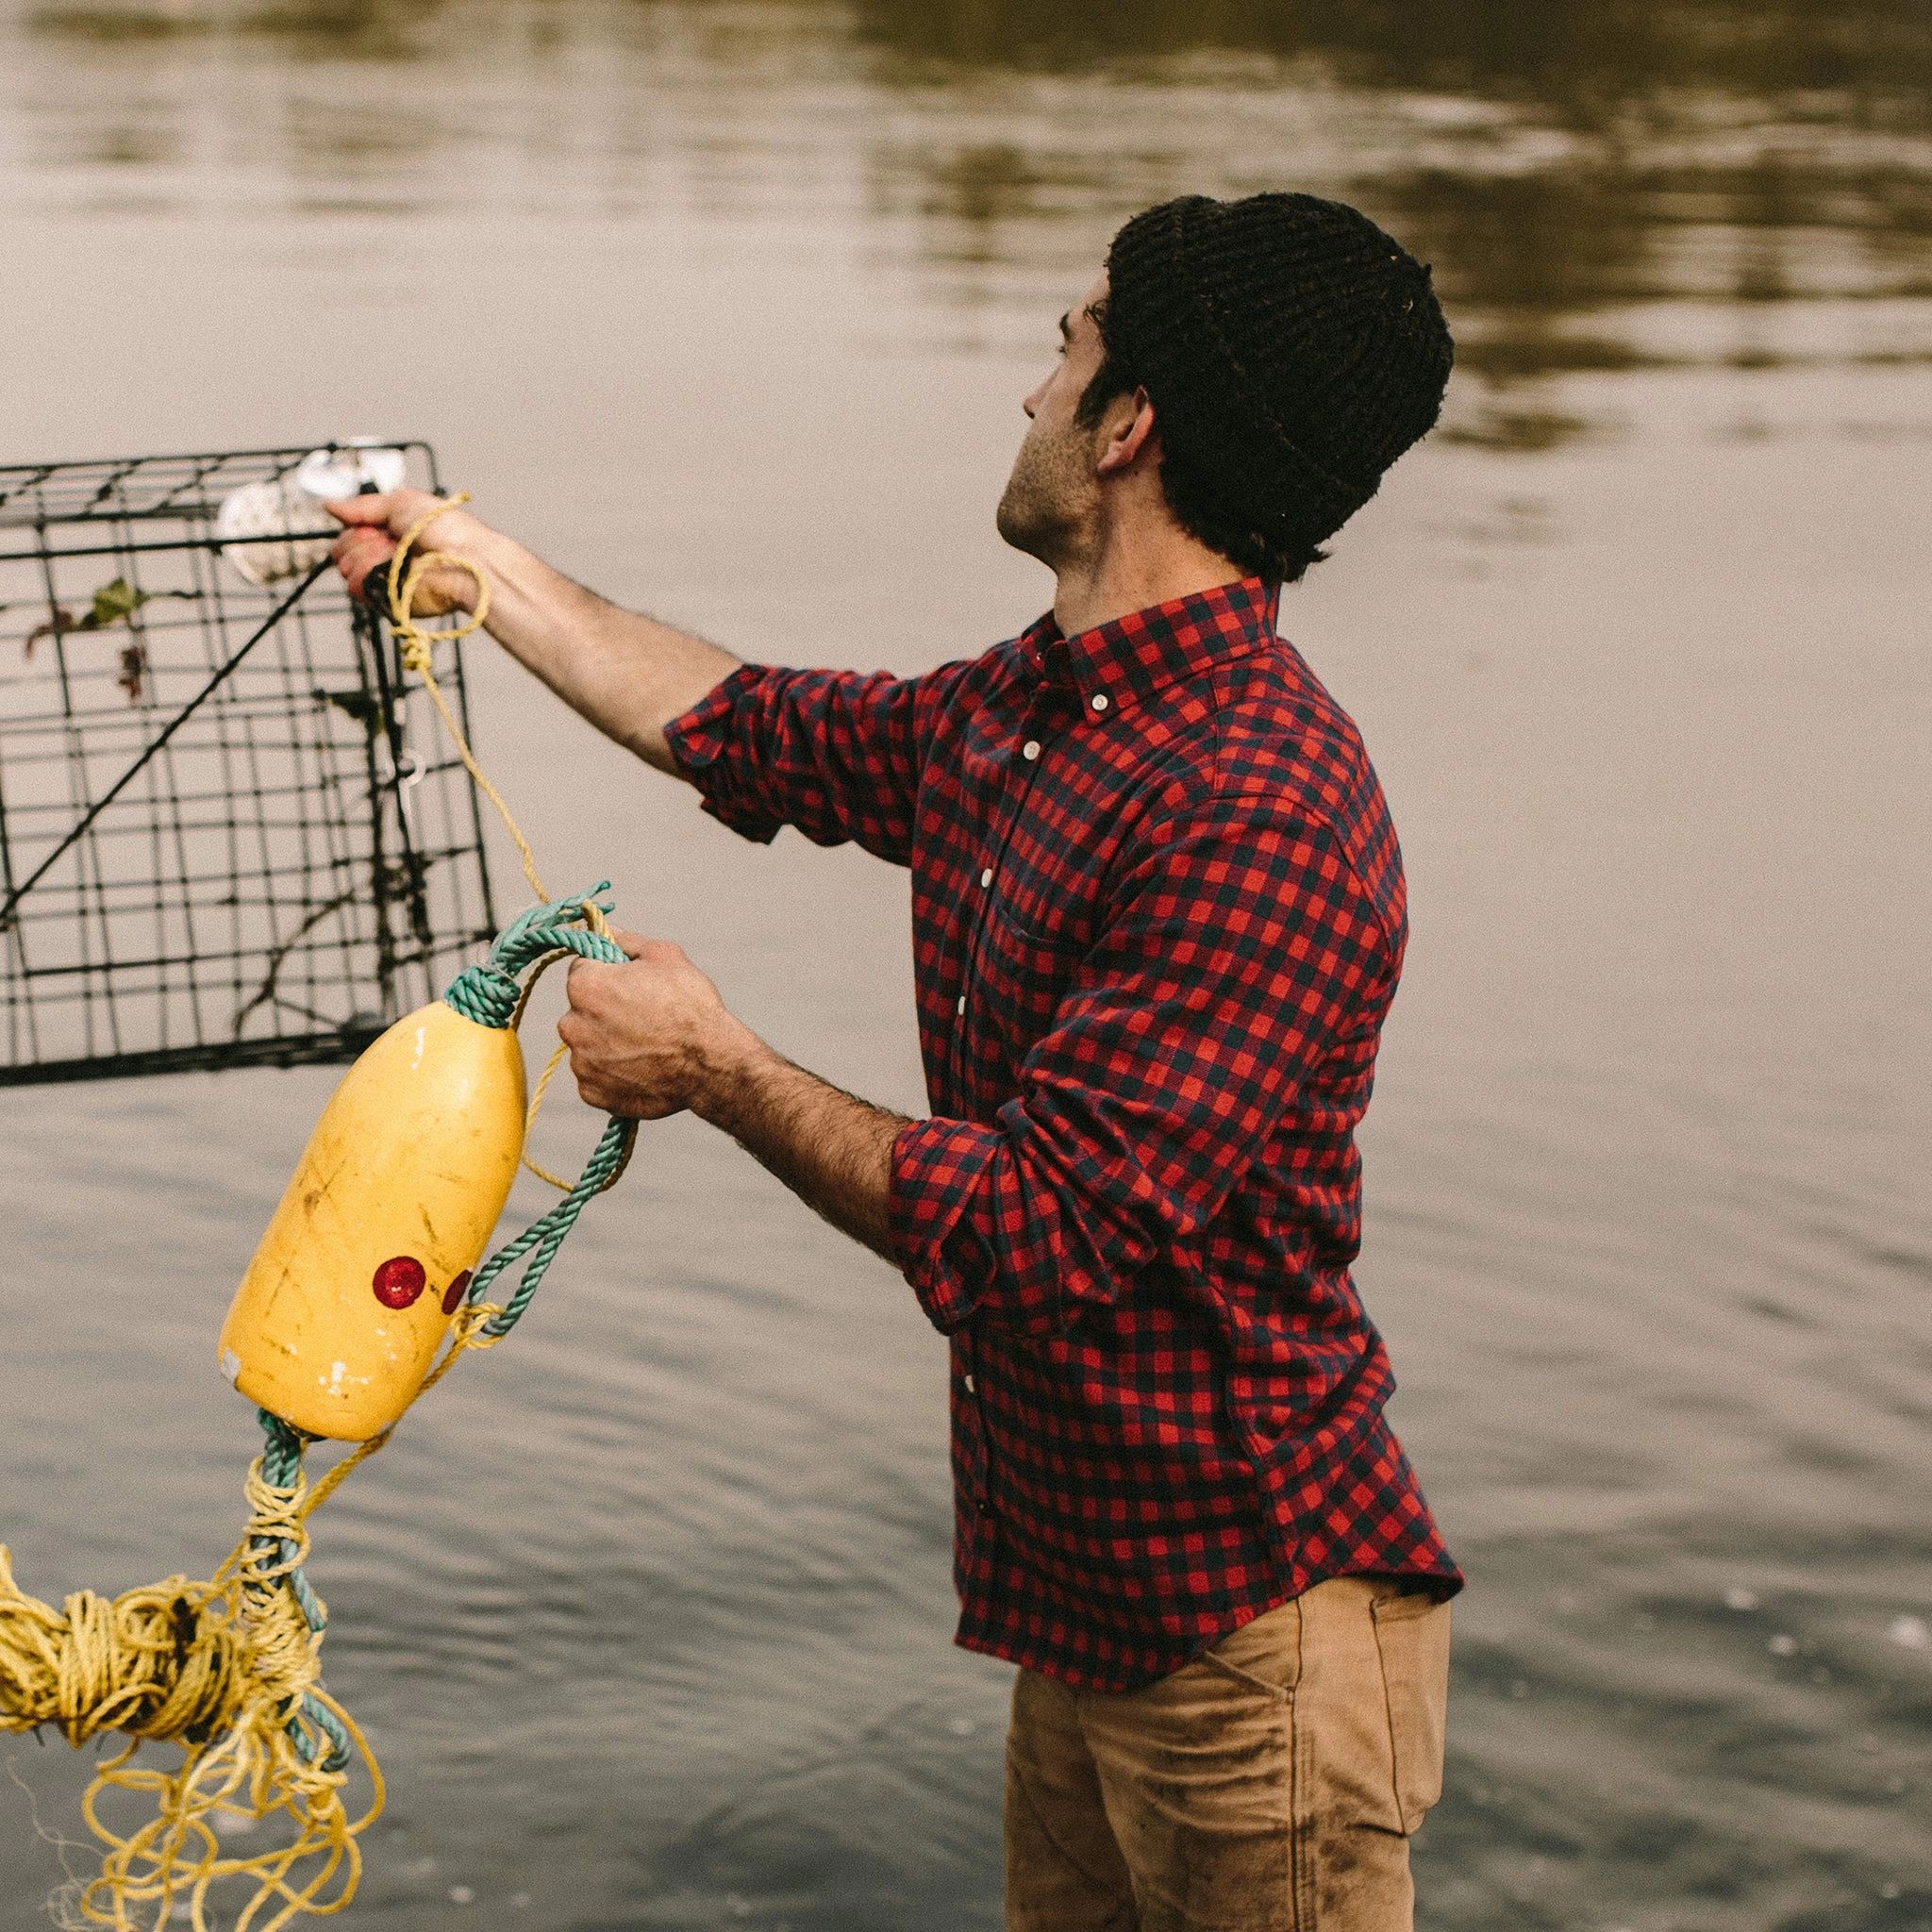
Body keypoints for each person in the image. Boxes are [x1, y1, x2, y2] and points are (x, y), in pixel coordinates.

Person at [330, 191, 1462, 1932]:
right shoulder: (1039, 705)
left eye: (1068, 348)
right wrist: (473, 566)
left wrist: (717, 1067)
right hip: (1084, 1604)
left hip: (1256, 1643)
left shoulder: (1261, 808)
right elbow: (737, 718)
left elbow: (1036, 1232)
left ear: (1130, 425)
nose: (1032, 392)